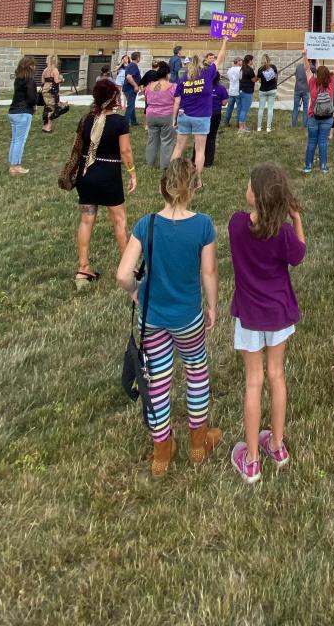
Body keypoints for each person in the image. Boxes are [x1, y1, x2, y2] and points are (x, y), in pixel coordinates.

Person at [116, 158, 221, 476]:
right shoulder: (203, 225)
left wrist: (136, 290)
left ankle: (162, 451)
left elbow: (122, 274)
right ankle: (198, 443)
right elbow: (209, 271)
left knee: (157, 384)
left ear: (164, 187)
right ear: (192, 189)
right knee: (196, 375)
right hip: (189, 318)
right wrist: (213, 306)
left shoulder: (145, 225)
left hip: (153, 320)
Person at [228, 162, 306, 482]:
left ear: (255, 196)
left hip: (249, 315)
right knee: (277, 376)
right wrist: (297, 219)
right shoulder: (284, 233)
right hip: (278, 314)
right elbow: (299, 255)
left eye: (248, 184)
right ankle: (276, 444)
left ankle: (251, 457)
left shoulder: (236, 225)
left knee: (253, 381)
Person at [73, 77, 137, 286]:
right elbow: (125, 150)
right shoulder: (119, 121)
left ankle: (83, 269)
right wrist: (132, 173)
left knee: (86, 220)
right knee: (119, 220)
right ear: (113, 97)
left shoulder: (86, 119)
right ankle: (128, 267)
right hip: (109, 175)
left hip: (86, 174)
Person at [172, 43, 227, 182]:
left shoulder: (183, 79)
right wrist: (225, 41)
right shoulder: (207, 74)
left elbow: (177, 101)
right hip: (201, 117)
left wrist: (174, 119)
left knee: (178, 149)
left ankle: (170, 177)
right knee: (200, 150)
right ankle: (197, 180)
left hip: (183, 116)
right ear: (201, 65)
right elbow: (219, 58)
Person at [301, 51, 334, 173]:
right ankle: (323, 166)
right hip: (327, 118)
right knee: (323, 142)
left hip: (313, 116)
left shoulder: (312, 83)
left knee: (311, 142)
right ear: (328, 75)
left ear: (317, 74)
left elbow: (307, 70)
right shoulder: (331, 84)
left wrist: (305, 56)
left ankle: (308, 166)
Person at [7, 55, 39, 176]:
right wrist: (34, 105)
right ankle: (16, 166)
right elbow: (31, 98)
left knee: (15, 140)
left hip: (13, 111)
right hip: (23, 112)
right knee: (20, 140)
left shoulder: (18, 79)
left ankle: (12, 164)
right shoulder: (29, 80)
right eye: (33, 64)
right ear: (30, 66)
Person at [143, 64, 177, 169]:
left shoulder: (149, 86)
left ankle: (149, 163)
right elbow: (177, 101)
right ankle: (165, 165)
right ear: (167, 75)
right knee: (167, 141)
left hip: (151, 115)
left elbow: (146, 99)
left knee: (152, 139)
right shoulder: (173, 86)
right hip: (166, 115)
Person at [204, 70, 229, 168]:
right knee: (211, 137)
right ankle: (208, 161)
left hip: (203, 113)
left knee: (200, 136)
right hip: (215, 114)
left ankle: (195, 158)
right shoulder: (221, 88)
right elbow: (224, 103)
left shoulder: (203, 87)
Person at [40, 54, 66, 134]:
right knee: (53, 108)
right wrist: (62, 79)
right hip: (53, 91)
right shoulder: (55, 70)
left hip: (45, 91)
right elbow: (56, 81)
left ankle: (44, 126)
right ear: (55, 61)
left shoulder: (45, 70)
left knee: (47, 107)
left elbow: (43, 82)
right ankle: (48, 128)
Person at [256, 54, 278, 133]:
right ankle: (268, 128)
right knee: (270, 109)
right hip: (272, 89)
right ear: (269, 60)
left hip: (263, 90)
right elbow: (276, 78)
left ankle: (259, 127)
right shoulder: (273, 67)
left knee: (261, 109)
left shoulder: (260, 69)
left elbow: (259, 80)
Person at [236, 54, 256, 134]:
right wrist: (259, 76)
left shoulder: (242, 69)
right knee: (245, 109)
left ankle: (243, 125)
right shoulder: (249, 69)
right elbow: (254, 80)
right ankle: (241, 128)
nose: (253, 62)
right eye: (252, 60)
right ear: (250, 61)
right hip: (247, 91)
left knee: (242, 109)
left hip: (241, 90)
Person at [123, 51, 142, 127]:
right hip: (130, 89)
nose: (140, 58)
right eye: (140, 57)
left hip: (128, 89)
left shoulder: (131, 65)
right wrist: (135, 86)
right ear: (137, 58)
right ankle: (125, 124)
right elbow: (129, 77)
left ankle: (133, 121)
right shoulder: (133, 65)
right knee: (130, 106)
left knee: (132, 105)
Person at [292, 58, 310, 128]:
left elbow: (296, 76)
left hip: (297, 88)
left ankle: (293, 125)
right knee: (305, 108)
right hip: (306, 89)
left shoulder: (298, 66)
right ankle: (305, 125)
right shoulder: (310, 67)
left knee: (295, 107)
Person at [224, 57, 242, 126]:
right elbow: (241, 78)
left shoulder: (229, 70)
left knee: (229, 108)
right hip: (238, 90)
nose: (242, 62)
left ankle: (226, 122)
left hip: (231, 90)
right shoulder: (240, 69)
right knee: (239, 108)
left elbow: (229, 78)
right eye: (241, 61)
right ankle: (238, 123)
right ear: (238, 62)